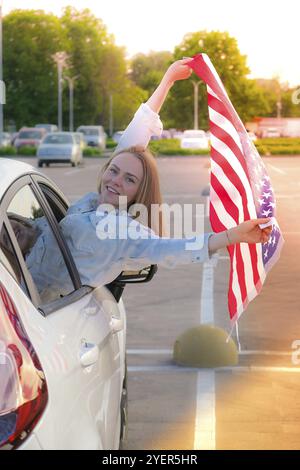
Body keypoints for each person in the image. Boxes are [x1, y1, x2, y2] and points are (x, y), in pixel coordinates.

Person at [2, 59, 272, 301]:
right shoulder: (93, 203)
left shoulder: (122, 231)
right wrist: (166, 81)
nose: (116, 180)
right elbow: (134, 138)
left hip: (29, 307)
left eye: (129, 180)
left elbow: (172, 249)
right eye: (113, 171)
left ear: (137, 193)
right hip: (12, 270)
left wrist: (231, 236)